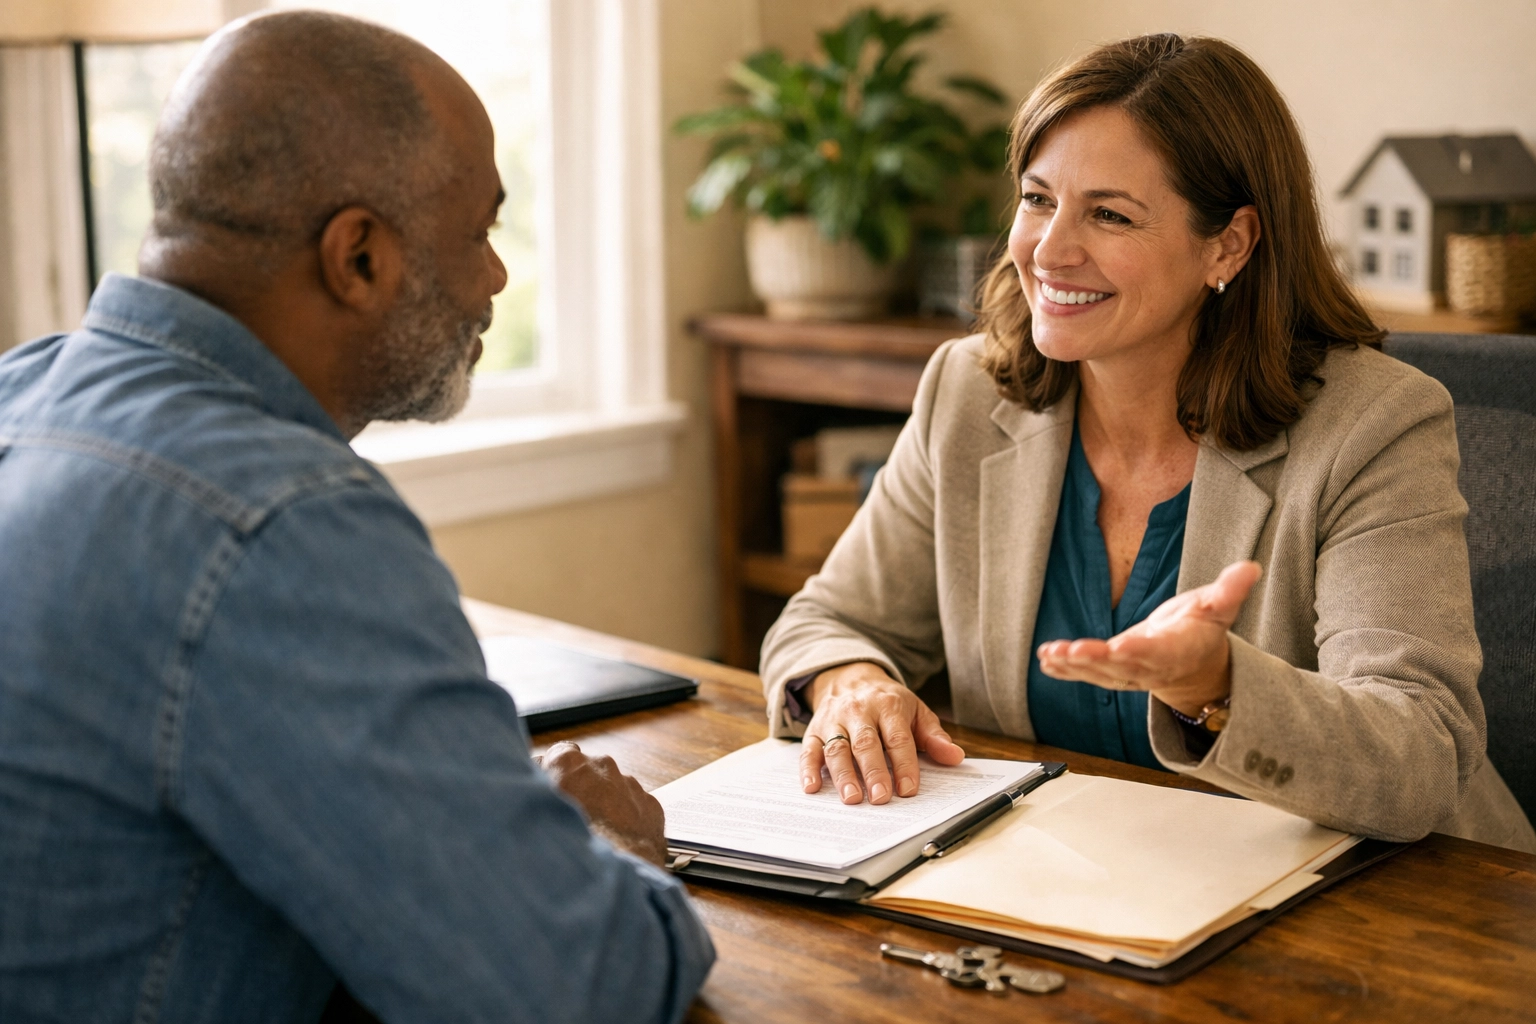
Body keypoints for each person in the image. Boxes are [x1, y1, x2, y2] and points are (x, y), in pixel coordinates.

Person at [0, 12, 712, 1023]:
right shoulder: (284, 521)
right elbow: (579, 987)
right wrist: (610, 847)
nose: (497, 278)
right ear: (360, 258)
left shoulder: (20, 397)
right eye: (481, 233)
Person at [760, 33, 1536, 853]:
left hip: (1380, 906)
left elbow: (1420, 754)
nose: (1048, 250)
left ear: (1228, 245)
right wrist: (850, 683)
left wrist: (1219, 685)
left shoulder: (1374, 425)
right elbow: (828, 618)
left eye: (1109, 214)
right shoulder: (968, 391)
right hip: (1069, 882)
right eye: (1036, 198)